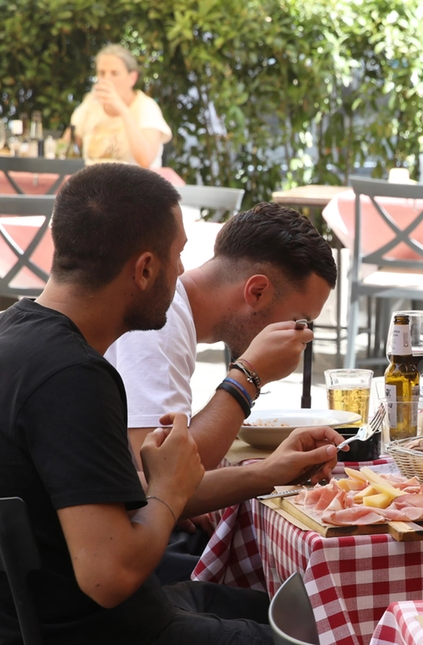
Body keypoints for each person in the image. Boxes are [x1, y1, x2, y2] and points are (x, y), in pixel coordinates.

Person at [0, 163, 343, 645]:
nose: (185, 272)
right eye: (177, 255)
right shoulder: (70, 377)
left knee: (309, 617)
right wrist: (166, 491)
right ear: (145, 269)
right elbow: (110, 574)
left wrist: (265, 474)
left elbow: (109, 513)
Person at [107, 202, 337, 472]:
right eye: (299, 321)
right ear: (257, 292)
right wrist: (249, 375)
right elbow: (166, 474)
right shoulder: (160, 321)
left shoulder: (172, 313)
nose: (303, 336)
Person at [69, 44, 171, 169]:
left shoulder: (146, 107)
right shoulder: (91, 103)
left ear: (132, 78)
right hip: (93, 183)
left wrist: (122, 109)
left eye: (115, 73)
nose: (106, 79)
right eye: (101, 73)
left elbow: (146, 160)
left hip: (134, 184)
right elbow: (68, 146)